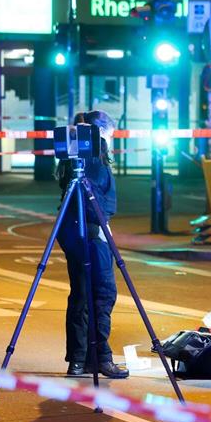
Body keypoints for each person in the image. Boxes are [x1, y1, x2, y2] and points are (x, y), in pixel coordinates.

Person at [55, 110, 128, 379]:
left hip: (72, 231)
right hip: (92, 232)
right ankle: (100, 358)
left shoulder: (74, 156)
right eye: (110, 136)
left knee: (81, 294)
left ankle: (78, 359)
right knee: (103, 293)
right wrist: (101, 229)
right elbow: (91, 198)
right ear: (102, 133)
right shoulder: (95, 158)